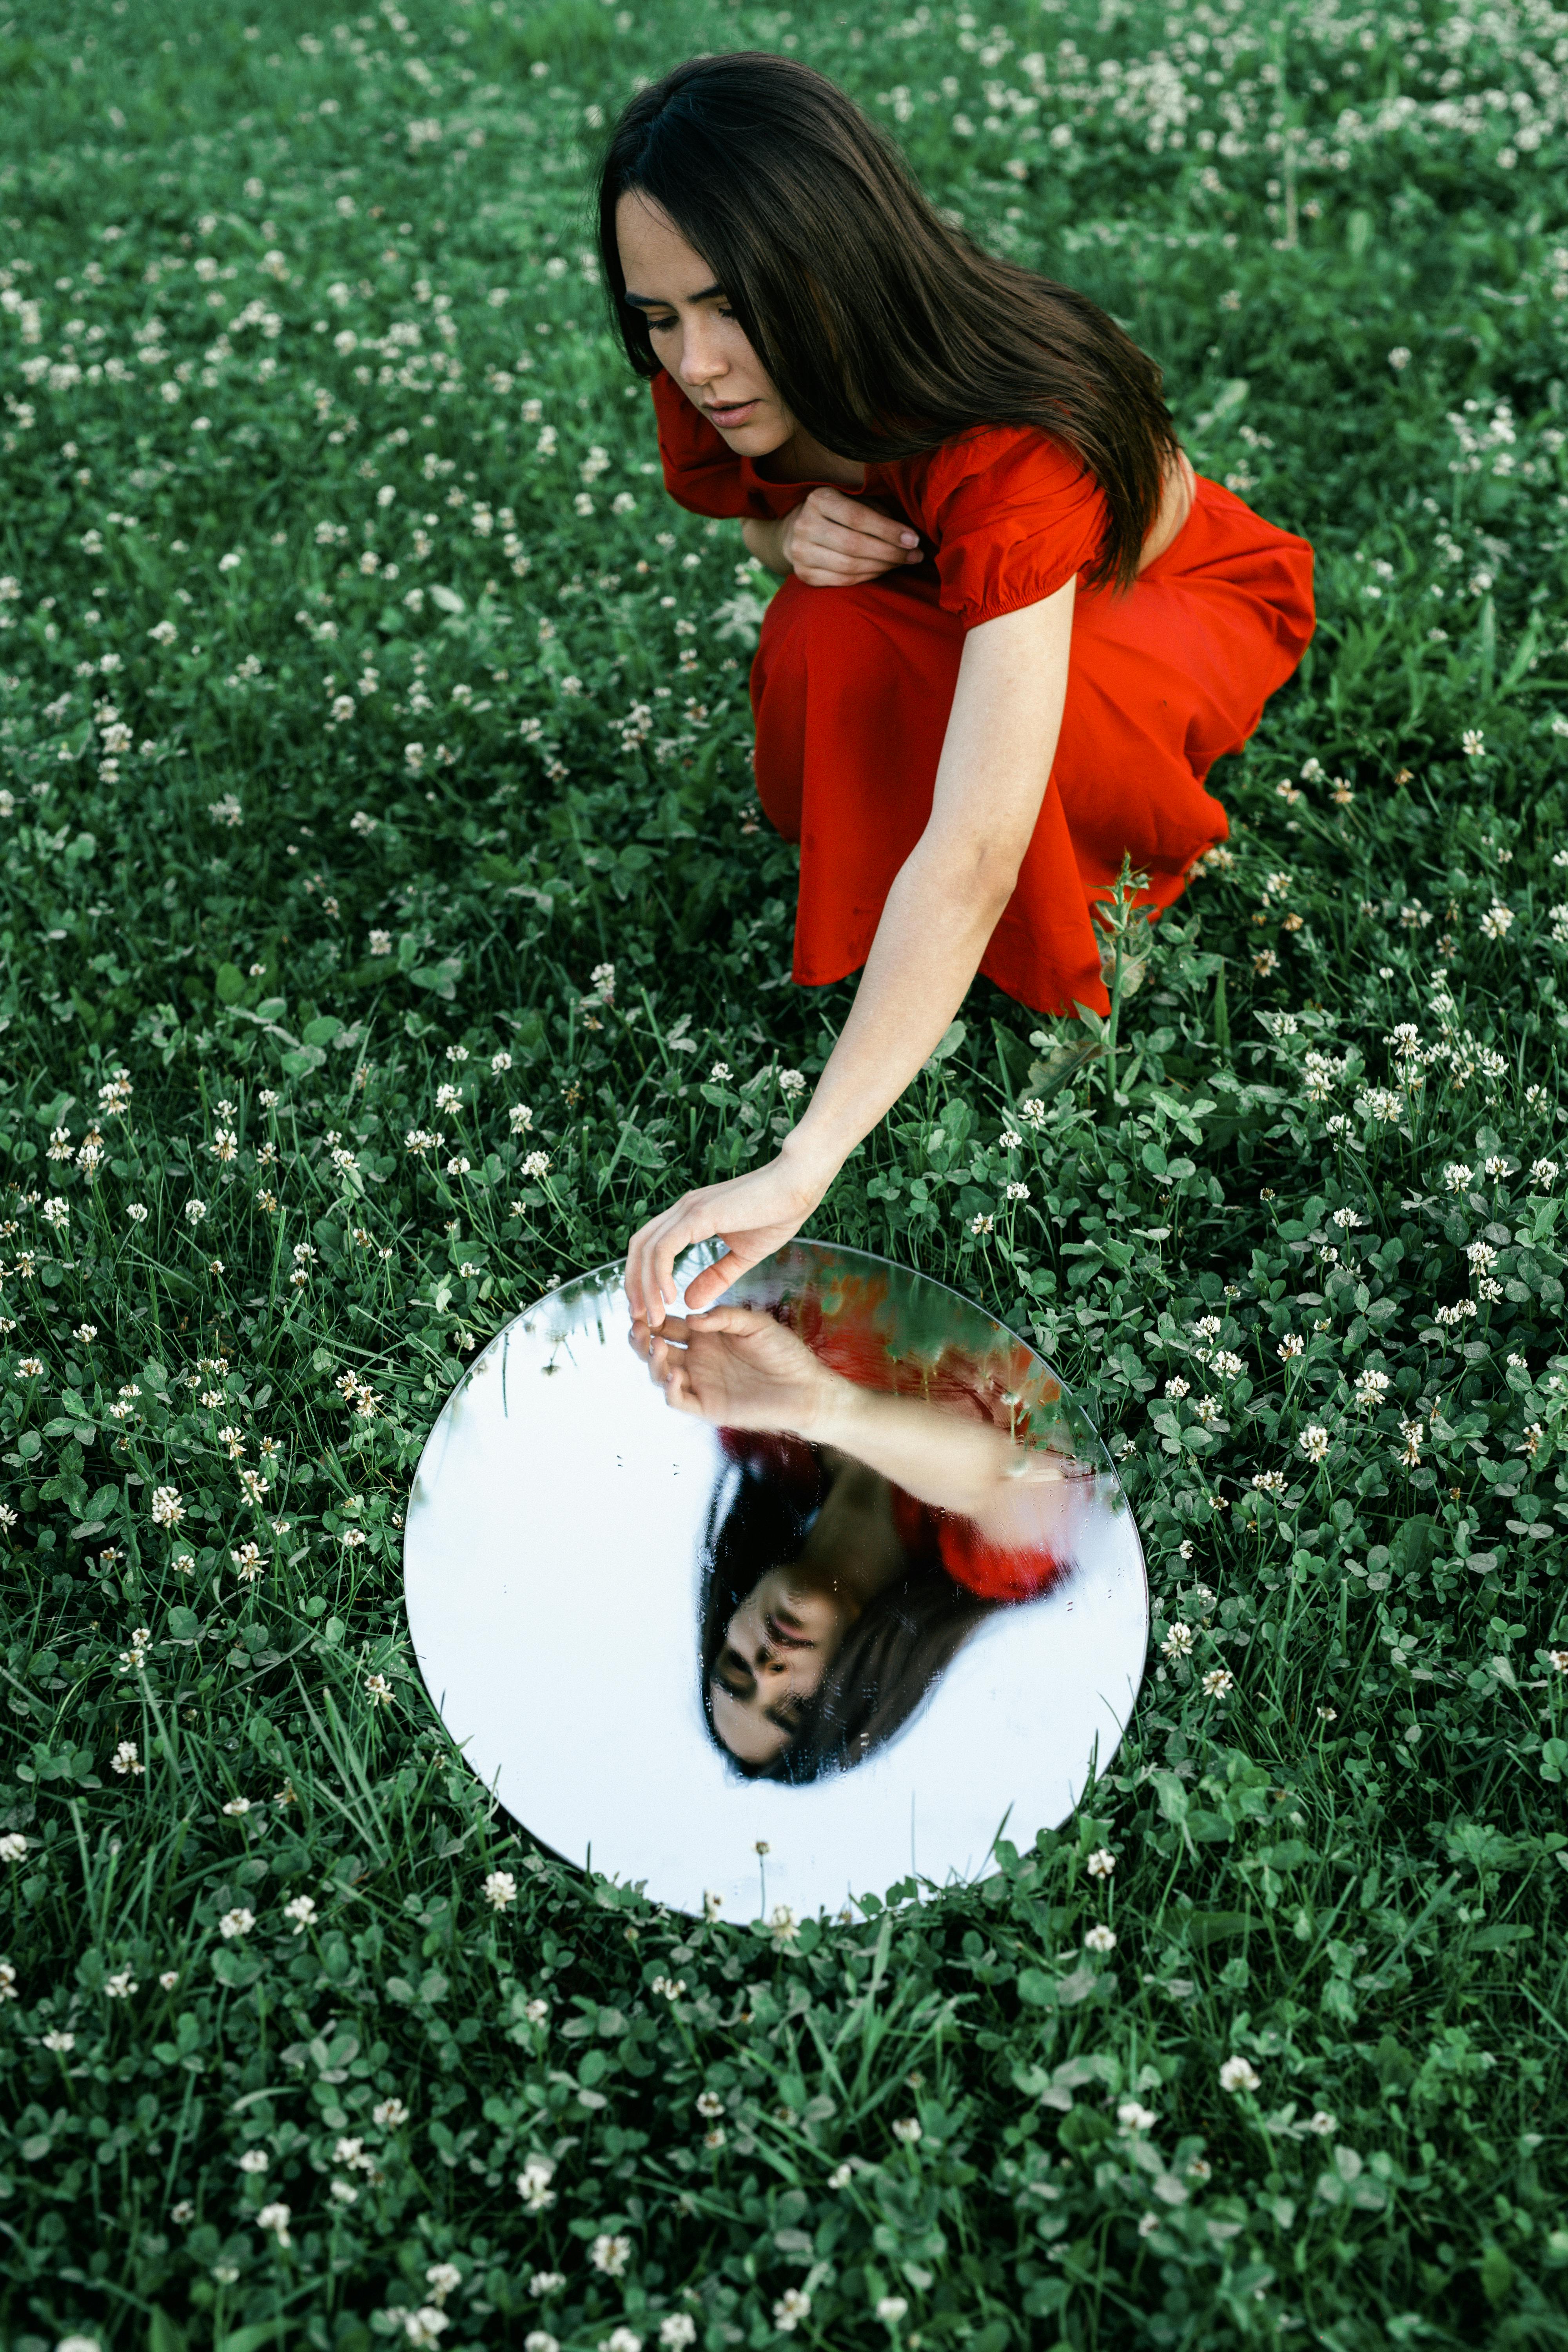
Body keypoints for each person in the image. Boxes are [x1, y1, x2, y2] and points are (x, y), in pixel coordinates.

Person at [602, 54, 1315, 1329]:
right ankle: (894, 886)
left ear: (831, 262)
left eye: (726, 307)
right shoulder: (723, 380)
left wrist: (803, 1156)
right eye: (658, 317)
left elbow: (979, 838)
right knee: (824, 628)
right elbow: (763, 520)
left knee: (1035, 753)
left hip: (1146, 610)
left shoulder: (1009, 441)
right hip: (963, 595)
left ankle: (1080, 884)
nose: (697, 364)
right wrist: (784, 542)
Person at [631, 1302, 1089, 1778]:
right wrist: (820, 1408)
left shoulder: (762, 1438)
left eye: (736, 1668)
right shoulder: (994, 1566)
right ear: (856, 1695)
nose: (766, 1671)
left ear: (732, 1610)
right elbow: (1017, 1474)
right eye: (792, 1709)